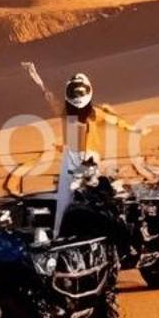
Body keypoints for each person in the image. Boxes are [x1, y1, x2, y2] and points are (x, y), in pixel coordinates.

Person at [22, 63, 138, 234]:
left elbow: (47, 95)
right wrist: (134, 128)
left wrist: (37, 78)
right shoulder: (90, 112)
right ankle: (74, 230)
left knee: (71, 196)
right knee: (87, 193)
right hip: (83, 156)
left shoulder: (70, 111)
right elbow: (117, 121)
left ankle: (63, 231)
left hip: (78, 157)